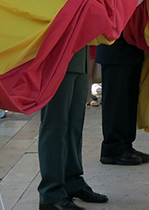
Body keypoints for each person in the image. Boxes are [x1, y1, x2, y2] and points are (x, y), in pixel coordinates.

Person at [96, 0, 149, 167]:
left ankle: (125, 144)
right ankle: (112, 148)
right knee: (117, 97)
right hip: (115, 43)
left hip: (131, 41)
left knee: (129, 96)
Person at [38, 46, 108, 210]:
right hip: (57, 54)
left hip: (79, 51)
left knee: (74, 124)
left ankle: (72, 180)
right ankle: (51, 193)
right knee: (55, 125)